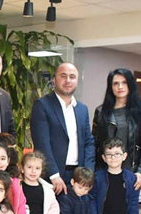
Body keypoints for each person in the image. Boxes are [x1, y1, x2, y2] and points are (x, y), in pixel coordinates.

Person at [30, 62, 96, 195]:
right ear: (54, 80)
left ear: (77, 81)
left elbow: (88, 142)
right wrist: (54, 174)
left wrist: (87, 173)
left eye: (72, 77)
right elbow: (42, 144)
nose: (68, 80)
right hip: (53, 176)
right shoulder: (42, 105)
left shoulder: (82, 109)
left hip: (78, 177)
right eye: (63, 76)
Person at [92, 68, 141, 190]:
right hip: (104, 170)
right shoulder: (101, 111)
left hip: (130, 171)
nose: (120, 86)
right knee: (104, 207)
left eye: (124, 82)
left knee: (127, 207)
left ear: (130, 84)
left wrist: (140, 172)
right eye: (116, 83)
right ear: (111, 87)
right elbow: (94, 144)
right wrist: (93, 170)